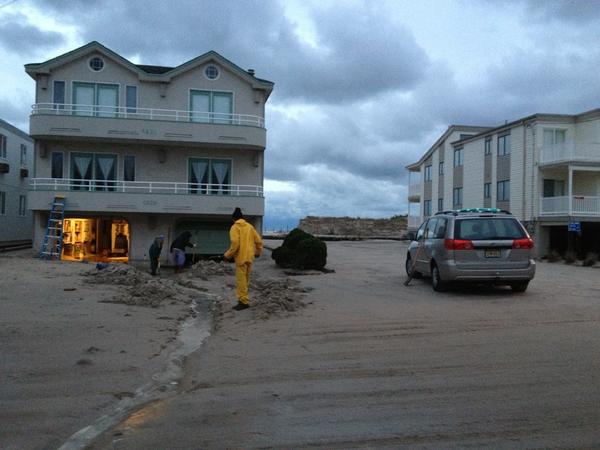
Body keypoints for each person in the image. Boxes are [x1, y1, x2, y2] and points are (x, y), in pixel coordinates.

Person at [223, 207, 263, 310]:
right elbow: (258, 240)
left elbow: (235, 243)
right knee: (246, 280)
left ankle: (243, 302)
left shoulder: (234, 227)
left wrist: (227, 255)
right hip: (250, 257)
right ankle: (244, 298)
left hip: (241, 258)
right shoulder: (250, 227)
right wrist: (258, 252)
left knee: (241, 281)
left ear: (233, 219)